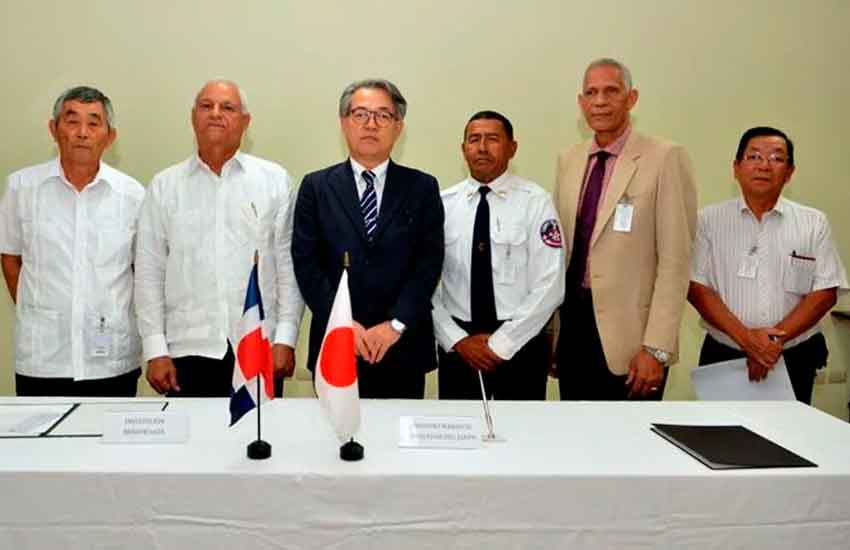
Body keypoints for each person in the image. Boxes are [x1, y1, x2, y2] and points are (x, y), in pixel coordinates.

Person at [134, 80, 304, 397]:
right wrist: (154, 348)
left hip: (258, 347)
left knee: (258, 444)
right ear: (192, 117)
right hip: (186, 349)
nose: (216, 114)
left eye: (228, 107)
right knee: (191, 446)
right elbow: (148, 271)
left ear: (245, 122)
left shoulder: (275, 181)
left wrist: (285, 337)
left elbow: (287, 266)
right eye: (206, 106)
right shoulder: (164, 186)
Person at [553, 58, 698, 400]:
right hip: (575, 329)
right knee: (574, 442)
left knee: (631, 448)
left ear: (631, 99)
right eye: (591, 92)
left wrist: (657, 348)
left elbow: (676, 262)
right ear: (581, 102)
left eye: (610, 91)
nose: (600, 101)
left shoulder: (665, 157)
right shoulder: (569, 160)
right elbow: (562, 253)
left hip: (634, 343)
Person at [292, 78, 444, 399]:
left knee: (399, 445)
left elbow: (428, 265)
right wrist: (344, 324)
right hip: (337, 342)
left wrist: (396, 325)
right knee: (333, 445)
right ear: (344, 123)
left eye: (383, 115)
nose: (371, 124)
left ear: (398, 127)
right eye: (360, 114)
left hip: (401, 347)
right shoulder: (316, 188)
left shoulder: (422, 188)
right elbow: (307, 265)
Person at [0, 86, 144, 396]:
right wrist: (39, 310)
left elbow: (141, 269)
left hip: (112, 362)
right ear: (54, 129)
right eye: (71, 121)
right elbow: (10, 258)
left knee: (111, 445)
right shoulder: (21, 188)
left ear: (110, 136)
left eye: (94, 123)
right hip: (42, 359)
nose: (82, 132)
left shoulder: (133, 196)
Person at [688, 126, 848, 404]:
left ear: (789, 172)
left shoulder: (813, 222)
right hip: (724, 354)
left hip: (793, 356)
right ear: (736, 168)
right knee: (720, 441)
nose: (764, 165)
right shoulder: (708, 221)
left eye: (776, 158)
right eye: (754, 157)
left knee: (787, 440)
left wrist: (771, 343)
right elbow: (697, 288)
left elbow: (824, 292)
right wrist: (748, 341)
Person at [433, 111, 564, 399]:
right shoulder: (442, 204)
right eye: (474, 139)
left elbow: (551, 283)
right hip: (460, 346)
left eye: (492, 139)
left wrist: (503, 342)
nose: (482, 147)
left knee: (522, 437)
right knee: (459, 437)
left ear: (512, 148)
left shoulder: (535, 202)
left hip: (521, 342)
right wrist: (455, 339)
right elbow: (425, 283)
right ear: (463, 148)